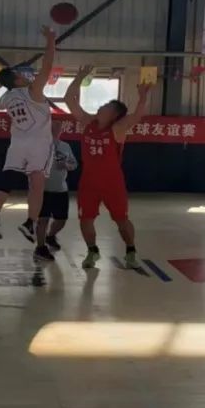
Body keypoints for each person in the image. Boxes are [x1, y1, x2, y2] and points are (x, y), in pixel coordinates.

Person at [64, 65, 152, 270]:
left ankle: (130, 250)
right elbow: (69, 100)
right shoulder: (88, 122)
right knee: (85, 219)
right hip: (89, 181)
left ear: (114, 115)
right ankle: (92, 251)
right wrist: (79, 76)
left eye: (106, 107)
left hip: (112, 182)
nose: (101, 107)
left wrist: (142, 97)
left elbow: (137, 116)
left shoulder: (118, 129)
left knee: (121, 220)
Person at [0, 26, 57, 256]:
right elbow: (48, 66)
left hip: (17, 144)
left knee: (6, 180)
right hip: (39, 144)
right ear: (17, 78)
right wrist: (51, 41)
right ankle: (29, 222)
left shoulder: (6, 98)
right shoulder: (33, 91)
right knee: (37, 184)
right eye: (22, 74)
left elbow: (3, 100)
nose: (27, 76)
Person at [38, 120, 78, 252]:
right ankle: (40, 247)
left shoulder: (65, 146)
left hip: (60, 190)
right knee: (43, 219)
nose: (55, 129)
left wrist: (67, 165)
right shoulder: (39, 146)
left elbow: (74, 164)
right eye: (53, 127)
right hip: (43, 189)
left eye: (58, 127)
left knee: (61, 219)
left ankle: (50, 236)